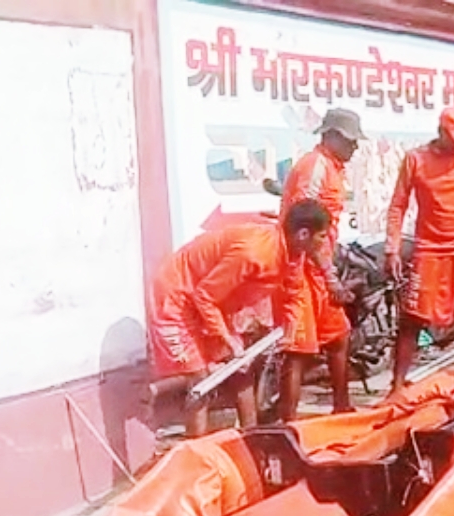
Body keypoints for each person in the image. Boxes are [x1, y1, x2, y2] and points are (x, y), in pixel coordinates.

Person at [147, 200, 329, 437]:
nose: (325, 242)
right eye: (322, 236)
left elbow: (294, 291)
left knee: (240, 369)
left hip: (213, 301)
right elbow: (204, 296)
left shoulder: (294, 253)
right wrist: (227, 339)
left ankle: (252, 441)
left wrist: (291, 323)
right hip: (176, 296)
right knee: (201, 382)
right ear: (304, 234)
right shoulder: (253, 253)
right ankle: (197, 453)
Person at [276, 108, 366, 421]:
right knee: (298, 350)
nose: (355, 149)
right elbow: (304, 225)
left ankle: (342, 405)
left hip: (318, 265)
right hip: (300, 268)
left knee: (338, 336)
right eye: (351, 142)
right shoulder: (315, 167)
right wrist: (331, 278)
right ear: (332, 137)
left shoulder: (332, 167)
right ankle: (287, 422)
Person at [384, 107, 454, 397]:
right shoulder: (416, 160)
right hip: (429, 250)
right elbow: (398, 205)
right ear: (440, 133)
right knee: (412, 319)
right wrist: (392, 248)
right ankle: (397, 386)